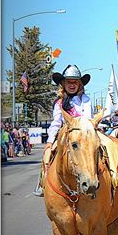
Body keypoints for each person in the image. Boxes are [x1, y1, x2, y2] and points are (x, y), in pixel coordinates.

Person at [37, 65, 93, 196]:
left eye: (75, 82)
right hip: (65, 135)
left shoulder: (85, 100)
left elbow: (88, 118)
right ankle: (42, 182)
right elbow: (56, 123)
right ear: (63, 83)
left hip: (84, 134)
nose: (72, 85)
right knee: (47, 155)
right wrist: (50, 141)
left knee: (102, 149)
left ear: (80, 84)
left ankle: (111, 178)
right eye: (69, 81)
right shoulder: (59, 103)